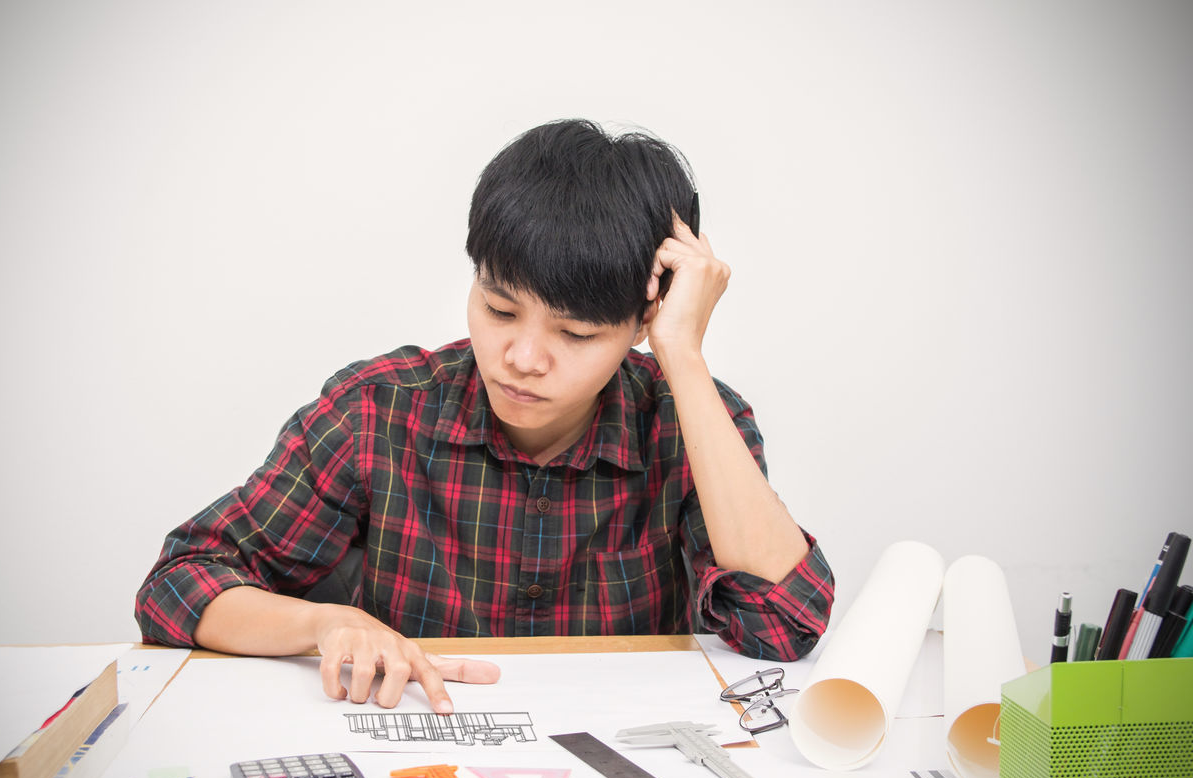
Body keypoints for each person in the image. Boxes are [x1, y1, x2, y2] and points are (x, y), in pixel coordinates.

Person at [136, 119, 834, 714]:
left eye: (577, 334)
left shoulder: (691, 422)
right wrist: (324, 621)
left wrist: (682, 350)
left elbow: (782, 623)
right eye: (499, 309)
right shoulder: (378, 411)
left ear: (644, 316)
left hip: (620, 769)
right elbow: (180, 581)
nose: (522, 357)